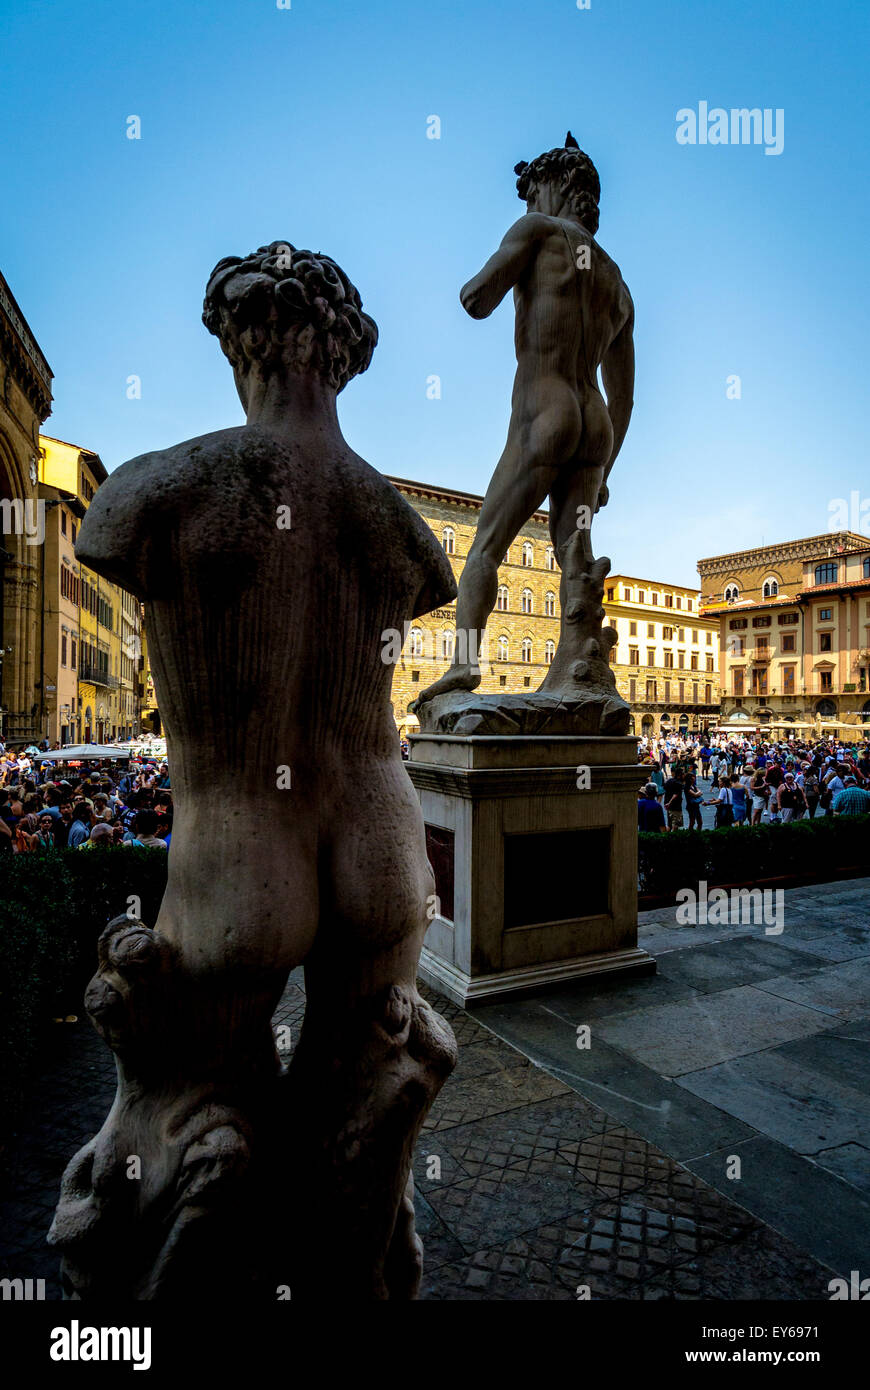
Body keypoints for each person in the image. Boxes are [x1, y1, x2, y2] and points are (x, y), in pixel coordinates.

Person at [414, 133, 634, 702]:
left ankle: (464, 667)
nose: (528, 203)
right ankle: (579, 675)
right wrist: (606, 469)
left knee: (486, 544)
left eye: (532, 191)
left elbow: (476, 298)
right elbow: (626, 397)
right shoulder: (619, 286)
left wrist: (490, 278)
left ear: (554, 185)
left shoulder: (536, 231)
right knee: (575, 552)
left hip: (546, 408)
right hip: (596, 422)